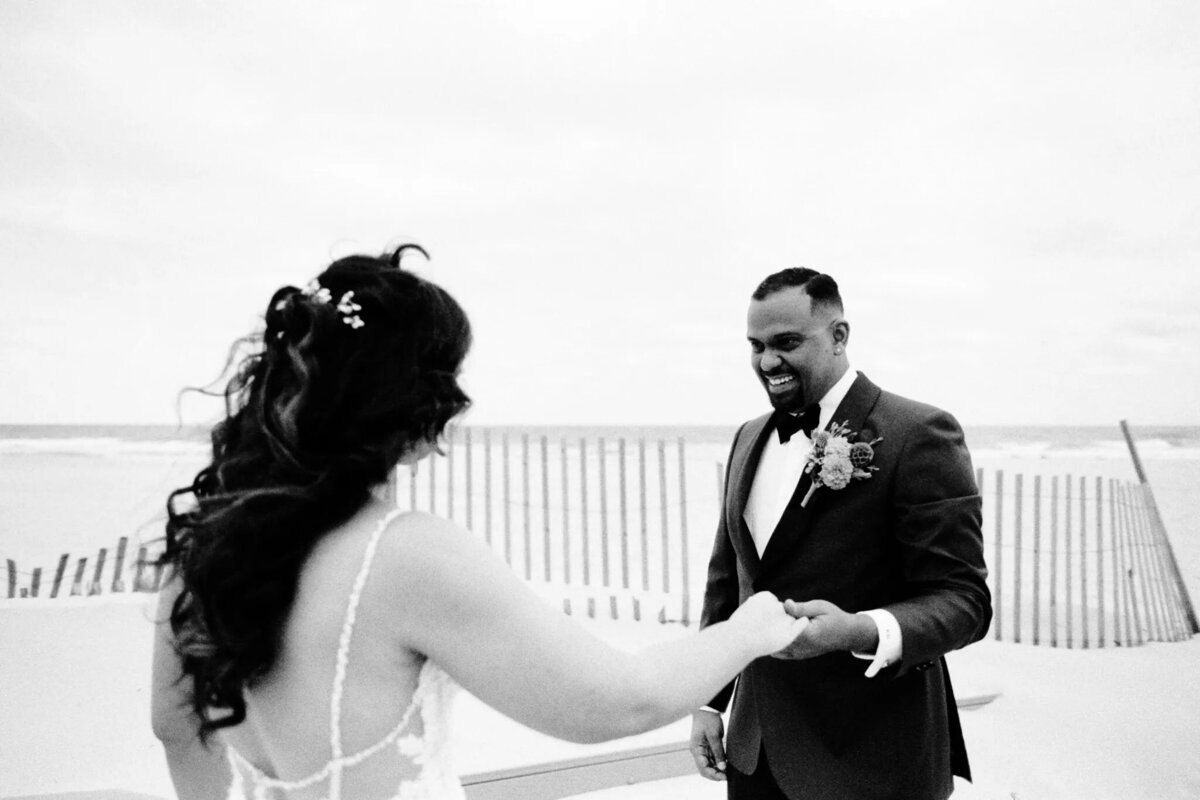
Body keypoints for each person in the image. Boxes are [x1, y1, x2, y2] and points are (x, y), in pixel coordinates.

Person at [150, 244, 810, 800]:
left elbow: (174, 729)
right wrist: (748, 630)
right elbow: (617, 699)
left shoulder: (204, 553)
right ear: (412, 409)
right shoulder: (403, 554)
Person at [689, 267, 992, 800]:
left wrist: (857, 631)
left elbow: (964, 601)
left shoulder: (918, 434)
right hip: (754, 753)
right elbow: (728, 580)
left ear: (838, 336)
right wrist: (710, 701)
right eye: (755, 346)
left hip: (872, 760)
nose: (767, 362)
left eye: (786, 343)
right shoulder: (748, 437)